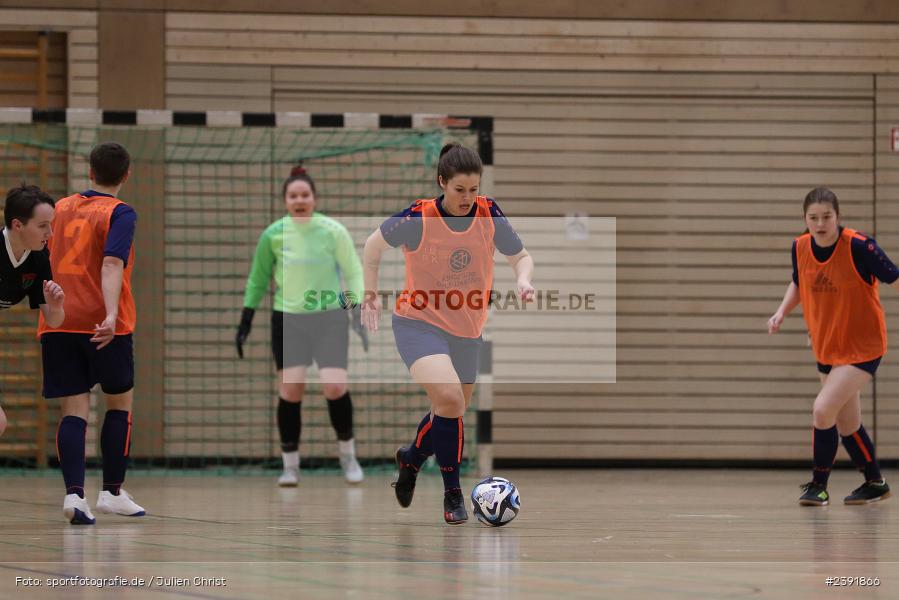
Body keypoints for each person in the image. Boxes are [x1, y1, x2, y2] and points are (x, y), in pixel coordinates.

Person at [361, 142, 534, 524]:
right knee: (450, 398)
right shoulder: (418, 218)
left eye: (473, 189)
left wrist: (523, 280)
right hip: (417, 323)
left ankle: (411, 458)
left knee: (451, 408)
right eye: (459, 190)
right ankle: (452, 493)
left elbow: (521, 256)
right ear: (442, 183)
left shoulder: (488, 214)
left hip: (467, 330)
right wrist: (369, 295)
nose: (467, 198)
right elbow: (373, 247)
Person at [237, 166, 367, 487]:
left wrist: (357, 312)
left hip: (329, 318)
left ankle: (348, 455)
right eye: (293, 195)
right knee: (291, 391)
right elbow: (258, 279)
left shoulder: (333, 231)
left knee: (334, 387)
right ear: (285, 200)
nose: (299, 200)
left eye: (305, 195)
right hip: (289, 321)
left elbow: (353, 272)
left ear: (314, 198)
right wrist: (246, 318)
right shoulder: (273, 235)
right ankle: (290, 465)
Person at [39, 142, 144, 524]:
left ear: (89, 172)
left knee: (73, 410)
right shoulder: (121, 212)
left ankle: (74, 496)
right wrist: (112, 314)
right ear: (126, 174)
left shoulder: (60, 207)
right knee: (119, 403)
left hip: (58, 318)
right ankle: (112, 491)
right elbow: (112, 263)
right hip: (104, 323)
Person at [768, 187, 894, 506]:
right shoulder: (800, 247)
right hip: (827, 346)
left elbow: (894, 276)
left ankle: (818, 485)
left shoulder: (859, 246)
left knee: (823, 410)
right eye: (813, 218)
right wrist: (782, 311)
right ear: (805, 219)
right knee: (847, 423)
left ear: (838, 217)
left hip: (863, 346)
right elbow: (799, 281)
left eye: (827, 217)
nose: (820, 223)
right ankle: (875, 483)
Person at [0, 184, 66, 438]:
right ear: (17, 225)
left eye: (51, 224)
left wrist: (57, 306)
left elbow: (53, 320)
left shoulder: (38, 258)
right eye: (42, 226)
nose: (50, 232)